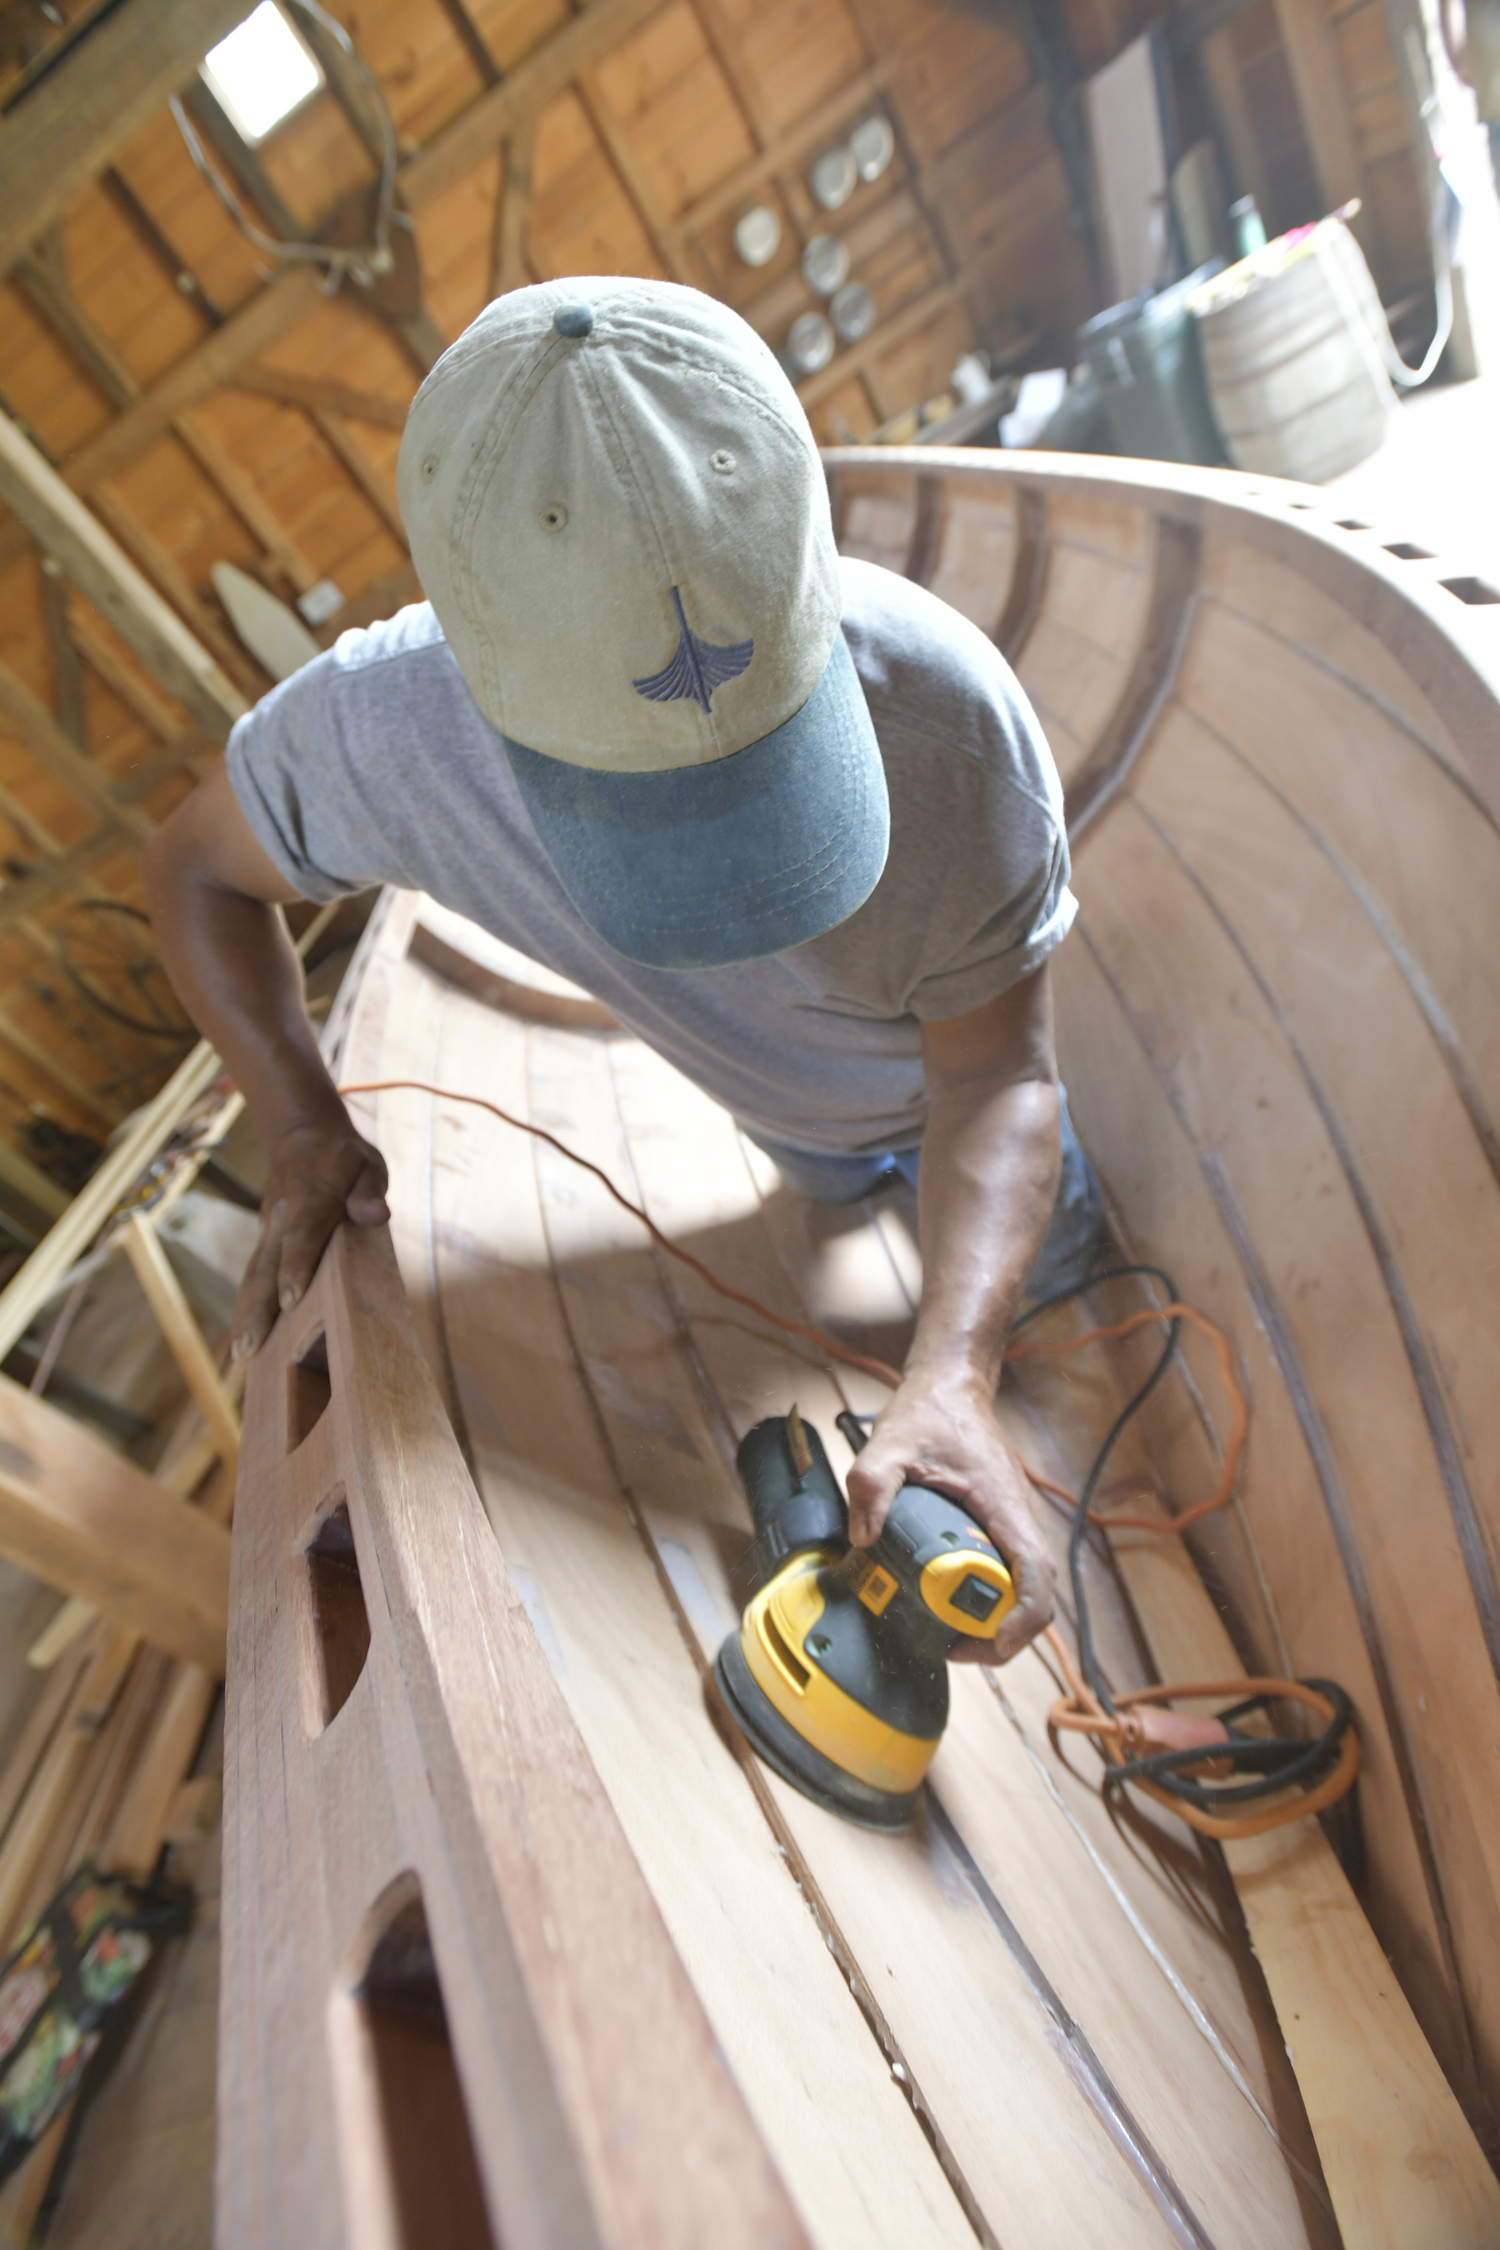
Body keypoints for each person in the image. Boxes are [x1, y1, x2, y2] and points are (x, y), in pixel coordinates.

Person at [143, 279, 1103, 1663]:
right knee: (827, 1180)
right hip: (776, 1108)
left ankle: (1016, 1299)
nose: (739, 913)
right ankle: (843, 1191)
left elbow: (1000, 1068)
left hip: (939, 1086)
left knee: (1064, 1291)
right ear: (487, 691)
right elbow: (191, 872)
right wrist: (296, 1121)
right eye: (660, 815)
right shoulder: (388, 728)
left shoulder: (954, 728)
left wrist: (959, 1364)